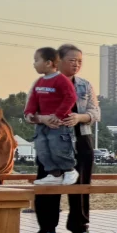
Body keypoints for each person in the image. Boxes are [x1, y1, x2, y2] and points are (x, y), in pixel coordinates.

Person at [34, 44, 101, 233]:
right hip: (51, 140)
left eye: (80, 61)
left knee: (81, 186)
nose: (76, 64)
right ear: (58, 61)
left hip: (81, 139)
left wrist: (80, 117)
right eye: (72, 60)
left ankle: (79, 230)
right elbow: (30, 113)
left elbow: (95, 113)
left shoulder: (85, 85)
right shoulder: (43, 84)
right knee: (50, 184)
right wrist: (44, 119)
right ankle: (48, 232)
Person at [25, 46, 79, 189]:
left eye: (36, 60)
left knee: (58, 148)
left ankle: (69, 170)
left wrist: (58, 115)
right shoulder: (39, 82)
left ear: (48, 63)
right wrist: (29, 112)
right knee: (42, 149)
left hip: (58, 124)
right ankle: (54, 174)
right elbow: (33, 100)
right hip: (42, 125)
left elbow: (70, 97)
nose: (34, 64)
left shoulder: (61, 80)